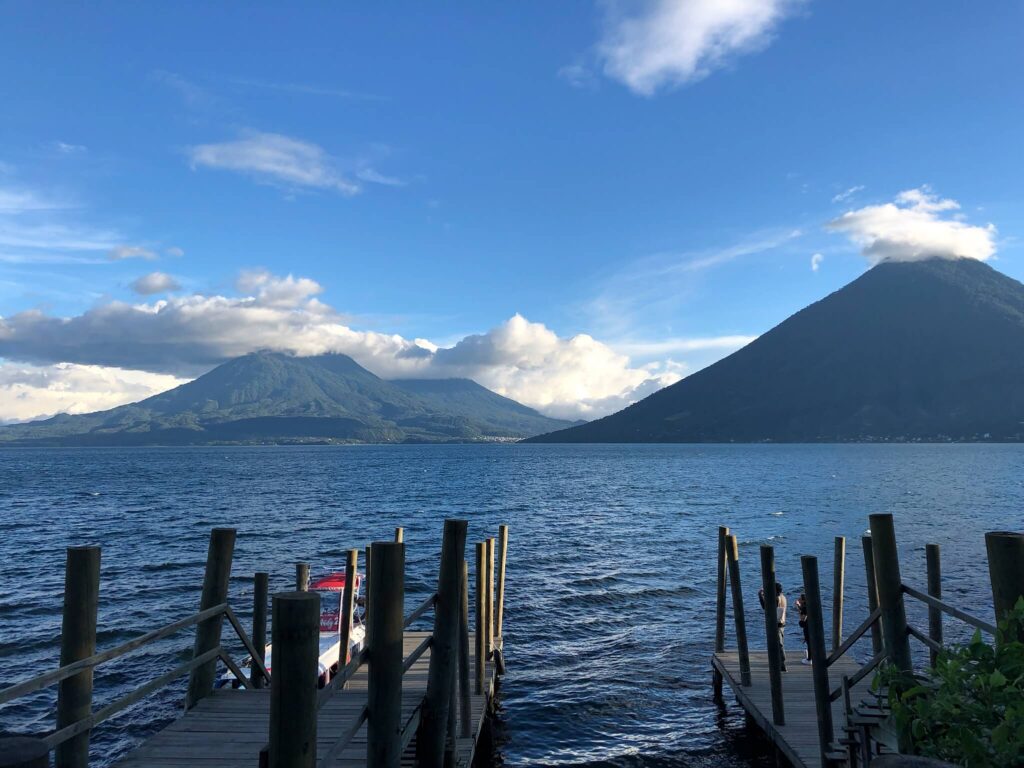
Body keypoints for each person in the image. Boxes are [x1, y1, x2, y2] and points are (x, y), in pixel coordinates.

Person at [758, 581, 788, 672]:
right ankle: (779, 662)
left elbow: (765, 607)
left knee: (779, 644)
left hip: (776, 624)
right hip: (782, 622)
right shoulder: (783, 597)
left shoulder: (776, 598)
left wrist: (760, 595)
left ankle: (782, 664)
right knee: (779, 643)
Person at [796, 592, 811, 664]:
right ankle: (811, 657)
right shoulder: (807, 606)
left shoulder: (805, 608)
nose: (798, 599)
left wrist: (798, 607)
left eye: (800, 599)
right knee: (810, 642)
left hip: (808, 627)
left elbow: (802, 619)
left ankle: (809, 659)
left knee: (809, 643)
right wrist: (799, 607)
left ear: (803, 600)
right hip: (811, 626)